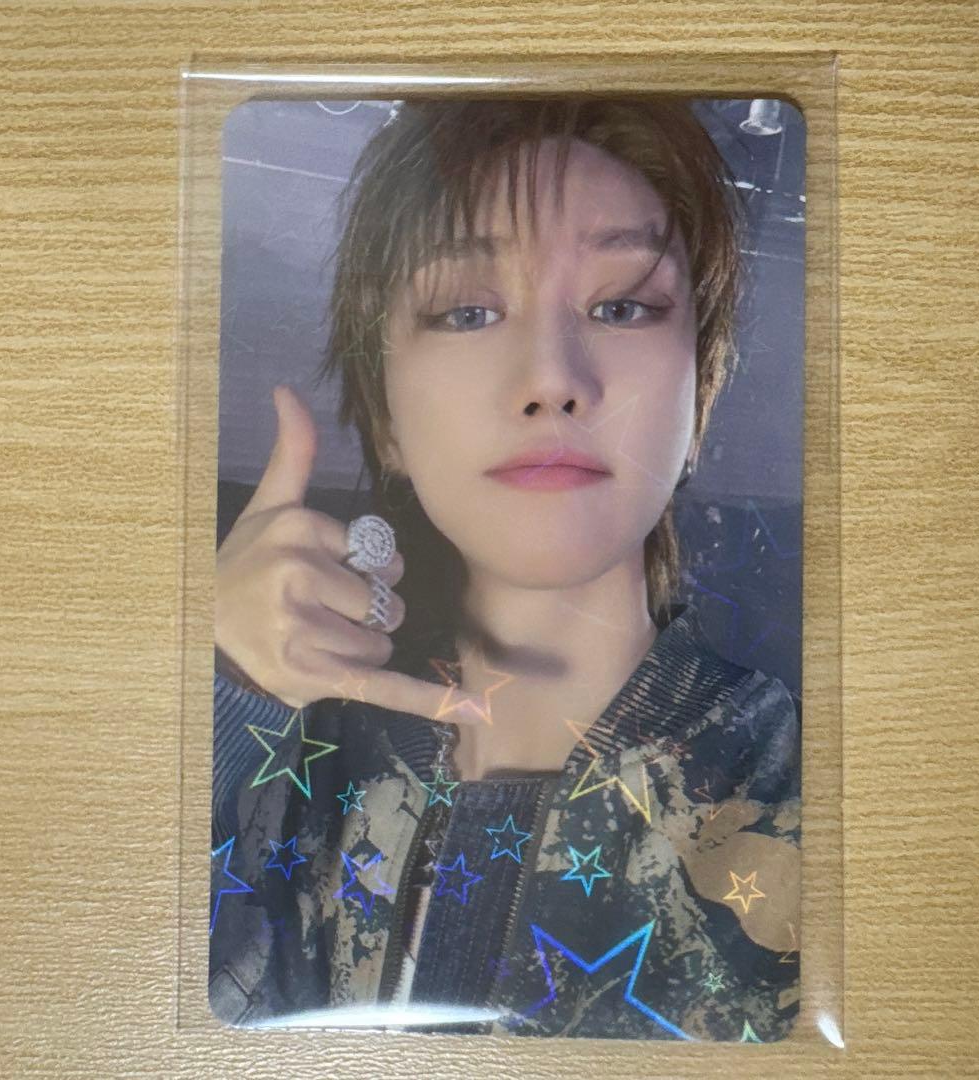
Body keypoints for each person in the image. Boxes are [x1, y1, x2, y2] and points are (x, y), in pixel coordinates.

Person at [210, 98, 801, 1042]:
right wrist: (224, 696)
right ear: (385, 413)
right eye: (468, 312)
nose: (552, 379)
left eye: (621, 306)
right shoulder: (275, 775)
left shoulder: (824, 803)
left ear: (700, 392)